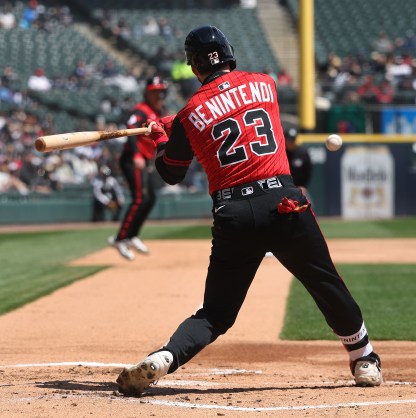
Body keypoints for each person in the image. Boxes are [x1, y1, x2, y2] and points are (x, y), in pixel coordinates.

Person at [116, 25, 382, 397]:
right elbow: (232, 108)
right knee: (324, 283)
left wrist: (162, 135)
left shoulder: (191, 112)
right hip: (284, 204)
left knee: (216, 314)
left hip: (234, 214)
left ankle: (165, 357)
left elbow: (170, 171)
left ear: (194, 67)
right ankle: (364, 359)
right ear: (228, 53)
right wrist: (173, 126)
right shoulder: (264, 83)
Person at [108, 76, 168, 260]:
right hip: (132, 158)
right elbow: (131, 129)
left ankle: (132, 235)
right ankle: (119, 239)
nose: (158, 95)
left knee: (150, 199)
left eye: (160, 91)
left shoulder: (157, 111)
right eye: (154, 91)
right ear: (146, 93)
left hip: (145, 159)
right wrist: (135, 155)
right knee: (139, 198)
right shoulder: (141, 110)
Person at [284, 127, 312, 193]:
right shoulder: (282, 152)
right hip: (283, 188)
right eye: (288, 140)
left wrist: (303, 186)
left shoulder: (302, 152)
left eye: (292, 140)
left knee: (307, 202)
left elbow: (308, 171)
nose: (290, 142)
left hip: (298, 187)